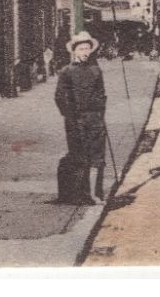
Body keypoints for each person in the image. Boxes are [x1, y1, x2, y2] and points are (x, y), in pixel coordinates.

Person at [54, 31, 108, 205]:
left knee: (97, 157)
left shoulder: (95, 70)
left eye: (87, 49)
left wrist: (100, 114)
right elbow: (60, 98)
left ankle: (94, 194)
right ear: (75, 51)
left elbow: (102, 94)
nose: (85, 52)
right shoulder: (67, 72)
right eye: (82, 49)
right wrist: (71, 117)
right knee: (79, 156)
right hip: (75, 121)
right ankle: (78, 194)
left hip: (95, 120)